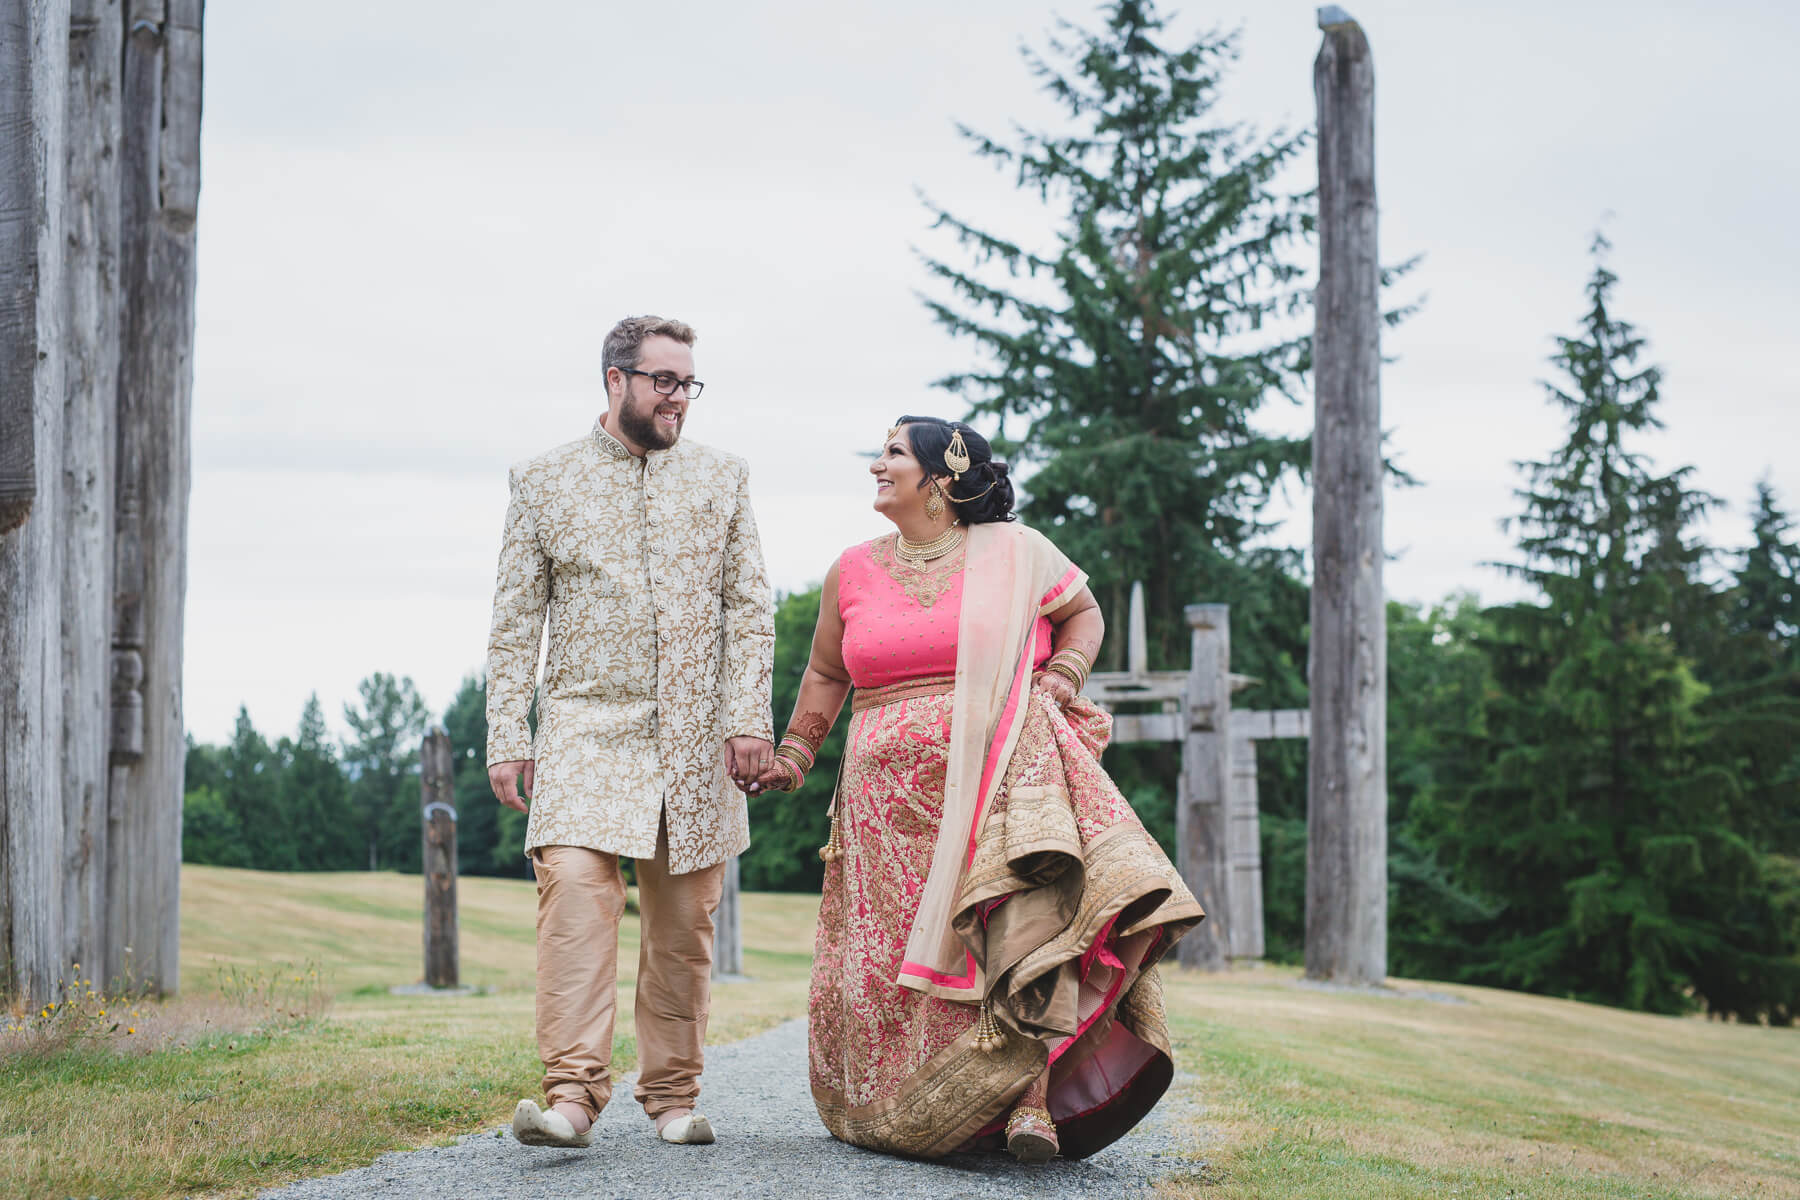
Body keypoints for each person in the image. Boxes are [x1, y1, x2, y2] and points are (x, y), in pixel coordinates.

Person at [749, 416, 1204, 1162]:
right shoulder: (852, 569)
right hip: (880, 807)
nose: (876, 466)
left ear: (942, 477)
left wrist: (1061, 678)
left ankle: (1027, 1105)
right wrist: (794, 754)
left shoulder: (1016, 551)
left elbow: (1081, 612)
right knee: (887, 958)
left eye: (892, 454)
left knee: (1010, 926)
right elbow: (829, 672)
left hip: (993, 776)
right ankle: (908, 1113)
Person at [485, 315, 774, 1149]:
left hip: (695, 737)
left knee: (684, 923)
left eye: (689, 382)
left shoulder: (723, 478)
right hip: (584, 724)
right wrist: (509, 730)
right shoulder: (542, 481)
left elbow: (749, 610)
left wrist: (747, 718)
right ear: (616, 380)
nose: (680, 397)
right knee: (575, 892)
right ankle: (570, 1099)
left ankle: (674, 1099)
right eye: (664, 381)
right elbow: (514, 623)